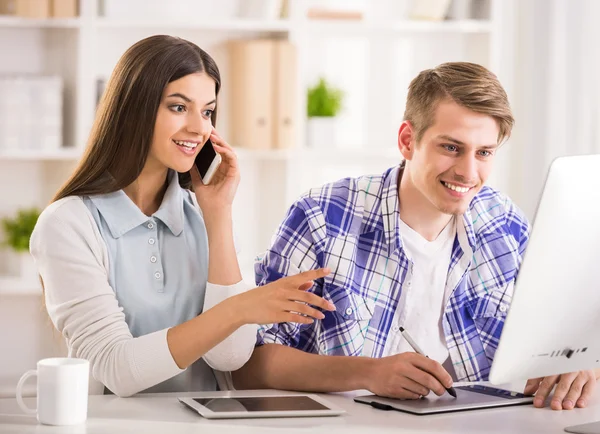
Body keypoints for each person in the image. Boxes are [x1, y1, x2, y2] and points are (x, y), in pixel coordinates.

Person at [233, 62, 599, 411]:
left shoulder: (503, 223)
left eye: (484, 152)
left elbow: (560, 338)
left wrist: (580, 365)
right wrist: (367, 372)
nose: (468, 173)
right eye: (451, 147)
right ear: (408, 141)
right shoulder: (322, 216)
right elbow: (251, 365)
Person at [30, 35, 333, 398]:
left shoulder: (205, 215)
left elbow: (230, 357)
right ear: (134, 109)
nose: (198, 127)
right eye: (178, 107)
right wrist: (239, 309)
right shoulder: (67, 224)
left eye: (207, 111)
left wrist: (218, 214)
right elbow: (117, 368)